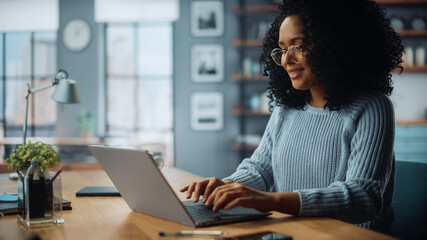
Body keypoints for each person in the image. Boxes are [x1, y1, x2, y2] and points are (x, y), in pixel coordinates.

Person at [180, 0, 403, 229]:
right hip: (289, 233)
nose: (287, 60)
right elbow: (260, 170)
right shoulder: (285, 109)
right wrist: (227, 188)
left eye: (298, 46)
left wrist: (270, 201)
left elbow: (363, 197)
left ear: (335, 44)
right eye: (283, 49)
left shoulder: (372, 107)